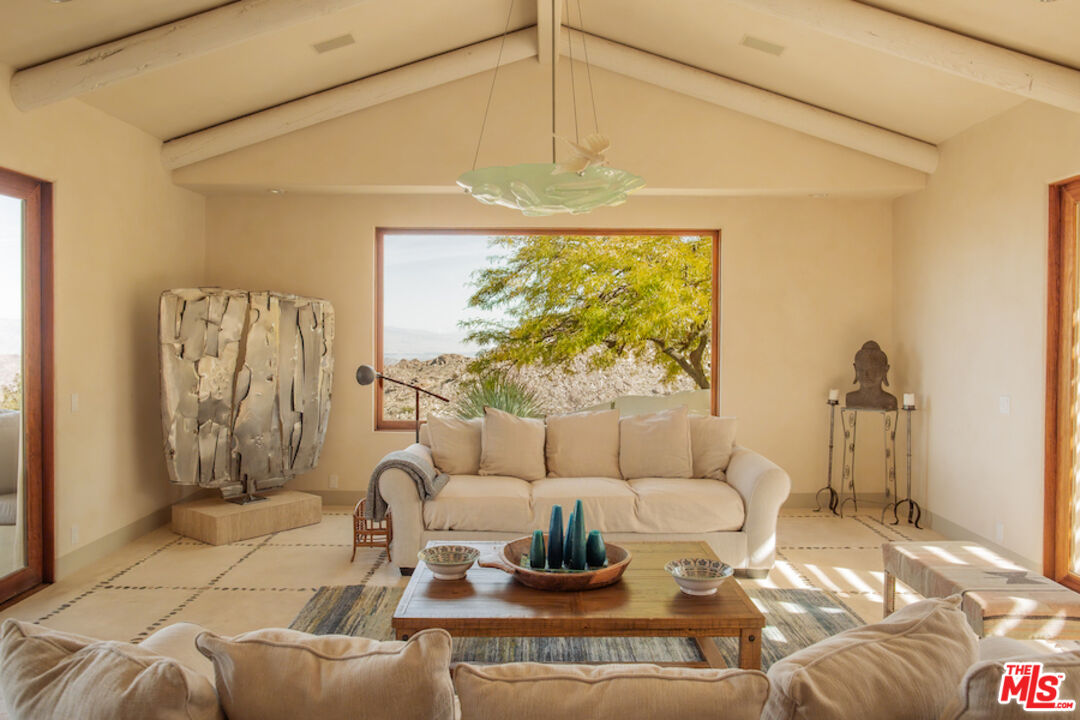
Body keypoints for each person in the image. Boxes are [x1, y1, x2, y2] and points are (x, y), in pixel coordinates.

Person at [845, 341, 898, 410]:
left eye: (872, 370)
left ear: (885, 370)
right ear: (855, 369)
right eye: (861, 370)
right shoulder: (851, 399)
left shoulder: (889, 401)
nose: (866, 375)